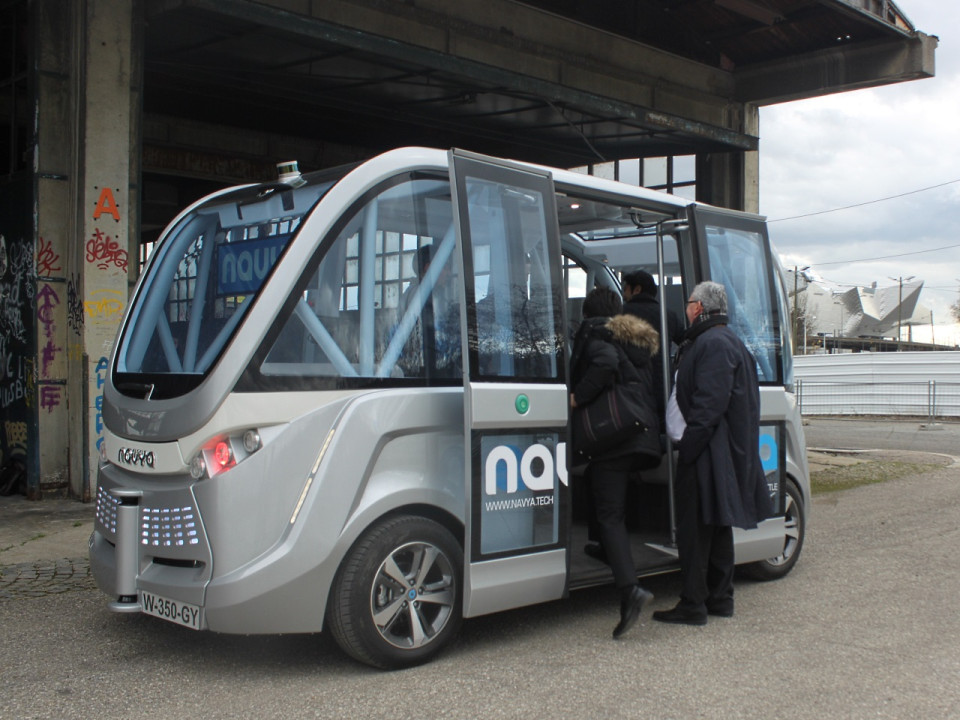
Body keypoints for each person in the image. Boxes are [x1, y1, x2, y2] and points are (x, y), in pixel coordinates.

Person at [653, 281, 773, 626]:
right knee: (718, 526)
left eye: (689, 302)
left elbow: (709, 404)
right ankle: (720, 598)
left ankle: (694, 603)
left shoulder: (714, 344)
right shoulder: (723, 341)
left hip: (706, 453)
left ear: (699, 308)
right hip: (715, 451)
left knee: (694, 532)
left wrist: (688, 446)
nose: (687, 308)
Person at [570, 286, 659, 638]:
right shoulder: (631, 340)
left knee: (610, 515)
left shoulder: (596, 334)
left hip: (613, 437)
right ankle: (606, 551)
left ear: (587, 312)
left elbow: (604, 366)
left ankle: (629, 588)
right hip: (635, 434)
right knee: (601, 488)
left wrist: (578, 397)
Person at [621, 269, 682, 428]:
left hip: (629, 389)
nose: (623, 294)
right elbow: (686, 341)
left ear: (637, 289)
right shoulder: (668, 315)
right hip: (662, 387)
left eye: (626, 289)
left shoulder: (620, 314)